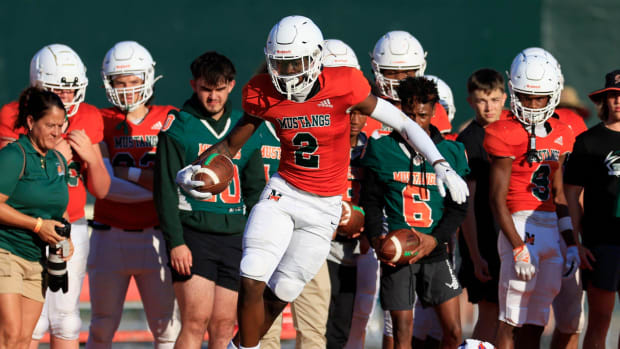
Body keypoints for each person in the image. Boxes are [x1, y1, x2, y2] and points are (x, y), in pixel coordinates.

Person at [176, 15, 468, 349]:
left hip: (325, 207)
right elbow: (231, 145)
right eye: (281, 65)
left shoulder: (344, 83)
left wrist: (440, 163)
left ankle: (238, 345)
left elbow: (402, 122)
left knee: (282, 292)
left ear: (315, 58)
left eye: (296, 63)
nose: (288, 74)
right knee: (253, 272)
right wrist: (195, 168)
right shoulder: (263, 91)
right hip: (283, 193)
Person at [0, 43, 110, 349]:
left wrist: (93, 157)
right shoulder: (13, 124)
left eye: (72, 91)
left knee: (63, 318)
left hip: (63, 228)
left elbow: (101, 190)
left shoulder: (85, 119)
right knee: (19, 329)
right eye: (58, 92)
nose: (67, 99)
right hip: (15, 235)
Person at [154, 51, 265, 349]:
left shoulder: (245, 128)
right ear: (194, 85)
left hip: (234, 236)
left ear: (231, 85)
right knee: (194, 320)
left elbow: (255, 191)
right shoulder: (178, 127)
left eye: (219, 89)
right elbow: (164, 188)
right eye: (206, 89)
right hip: (194, 234)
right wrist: (175, 241)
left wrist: (257, 239)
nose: (213, 97)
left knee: (224, 325)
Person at [361, 76, 469, 349]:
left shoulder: (451, 151)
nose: (416, 122)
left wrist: (436, 239)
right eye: (409, 115)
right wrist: (377, 240)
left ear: (434, 111)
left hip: (434, 248)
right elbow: (371, 201)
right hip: (399, 249)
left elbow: (459, 207)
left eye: (422, 115)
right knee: (401, 332)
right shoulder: (381, 148)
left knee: (454, 332)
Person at [86, 41, 179, 349]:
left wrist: (129, 174)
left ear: (148, 78)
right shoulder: (100, 118)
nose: (126, 89)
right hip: (109, 235)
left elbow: (175, 183)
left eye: (133, 81)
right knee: (100, 328)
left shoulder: (170, 118)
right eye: (119, 82)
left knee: (168, 331)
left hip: (157, 238)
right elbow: (106, 186)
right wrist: (157, 188)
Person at [485, 49, 579, 349]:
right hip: (519, 223)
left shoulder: (564, 132)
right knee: (511, 314)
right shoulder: (501, 131)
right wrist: (517, 246)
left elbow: (560, 193)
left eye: (540, 97)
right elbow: (496, 199)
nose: (534, 104)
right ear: (514, 91)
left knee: (538, 316)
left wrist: (572, 241)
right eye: (527, 97)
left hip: (551, 227)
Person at [0, 87, 74, 349]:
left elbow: (59, 211)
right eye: (49, 125)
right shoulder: (13, 155)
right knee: (8, 336)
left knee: (22, 341)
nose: (57, 132)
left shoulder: (57, 160)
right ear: (30, 122)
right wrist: (37, 225)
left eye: (60, 125)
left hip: (36, 260)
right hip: (5, 253)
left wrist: (66, 243)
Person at [564, 69, 620, 349]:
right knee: (600, 320)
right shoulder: (588, 142)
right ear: (604, 100)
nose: (618, 101)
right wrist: (577, 242)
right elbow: (571, 195)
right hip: (602, 244)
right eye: (613, 95)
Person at [456, 68, 506, 344]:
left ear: (505, 98)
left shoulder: (513, 131)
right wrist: (475, 255)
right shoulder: (470, 141)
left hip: (514, 237)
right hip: (486, 242)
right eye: (482, 100)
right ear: (470, 102)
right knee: (490, 315)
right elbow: (468, 205)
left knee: (512, 319)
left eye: (495, 99)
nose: (489, 107)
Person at [370, 31, 452, 134]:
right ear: (377, 70)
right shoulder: (368, 106)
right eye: (391, 72)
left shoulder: (432, 107)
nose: (399, 79)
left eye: (407, 73)